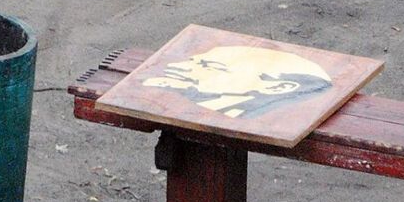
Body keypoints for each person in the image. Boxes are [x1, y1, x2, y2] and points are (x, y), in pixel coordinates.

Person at [143, 44, 334, 120]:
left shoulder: (267, 118)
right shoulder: (164, 89)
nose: (178, 66)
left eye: (209, 66)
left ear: (277, 87)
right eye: (192, 61)